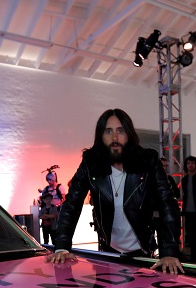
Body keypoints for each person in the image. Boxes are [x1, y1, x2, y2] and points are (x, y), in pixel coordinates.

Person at [49, 108, 183, 274]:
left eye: (120, 131)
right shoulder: (91, 163)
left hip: (143, 252)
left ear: (129, 134)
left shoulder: (148, 161)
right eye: (108, 131)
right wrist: (61, 247)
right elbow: (71, 204)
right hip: (108, 253)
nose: (114, 138)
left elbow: (167, 204)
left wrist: (169, 251)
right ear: (101, 136)